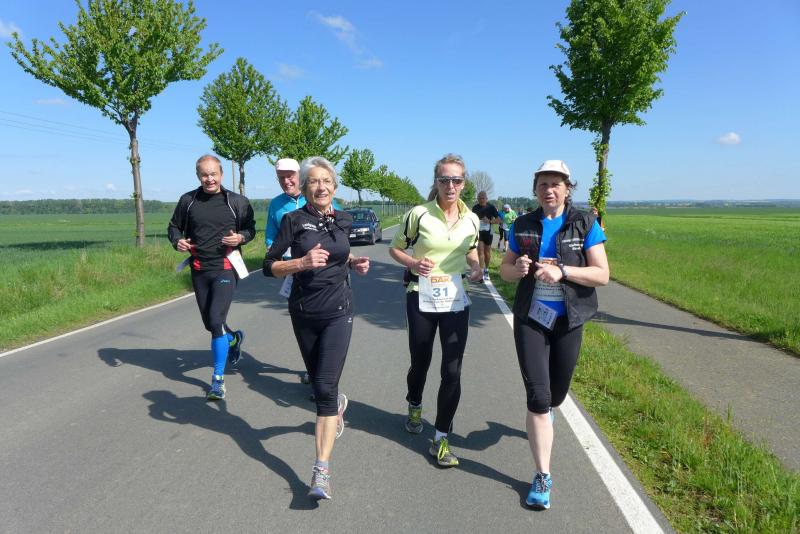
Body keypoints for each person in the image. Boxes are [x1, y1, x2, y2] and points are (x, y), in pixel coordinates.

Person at [499, 159, 609, 510]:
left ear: (567, 189)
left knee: (556, 396)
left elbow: (602, 274)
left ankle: (549, 411)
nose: (549, 190)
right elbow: (505, 270)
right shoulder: (522, 224)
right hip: (531, 318)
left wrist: (564, 271)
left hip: (568, 320)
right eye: (543, 184)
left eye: (556, 184)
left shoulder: (584, 223)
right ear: (535, 190)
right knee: (538, 396)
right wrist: (517, 268)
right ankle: (542, 475)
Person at [262, 156, 370, 500]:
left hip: (339, 311)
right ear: (305, 187)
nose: (320, 187)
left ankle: (320, 472)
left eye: (326, 181)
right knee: (320, 382)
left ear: (334, 187)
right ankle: (335, 405)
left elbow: (341, 253)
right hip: (304, 311)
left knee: (323, 386)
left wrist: (354, 262)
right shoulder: (293, 221)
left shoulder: (345, 219)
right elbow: (268, 266)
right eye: (313, 181)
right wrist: (301, 262)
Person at [389, 153, 482, 467]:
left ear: (464, 183)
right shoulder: (419, 214)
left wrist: (476, 267)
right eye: (444, 180)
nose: (450, 185)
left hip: (455, 299)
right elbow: (395, 248)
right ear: (436, 182)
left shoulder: (471, 219)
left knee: (452, 369)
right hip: (421, 296)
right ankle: (415, 403)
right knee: (421, 361)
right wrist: (413, 263)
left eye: (456, 180)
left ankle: (441, 437)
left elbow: (471, 250)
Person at [168, 154, 256, 400]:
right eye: (204, 175)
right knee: (210, 323)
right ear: (198, 176)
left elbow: (250, 228)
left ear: (221, 174)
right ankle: (233, 339)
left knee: (216, 321)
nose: (209, 179)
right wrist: (178, 241)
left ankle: (217, 380)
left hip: (226, 267)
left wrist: (241, 238)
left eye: (213, 174)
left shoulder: (236, 201)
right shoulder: (188, 201)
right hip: (199, 268)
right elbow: (173, 227)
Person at [471, 191, 501, 281]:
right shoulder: (475, 208)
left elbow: (499, 220)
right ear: (477, 199)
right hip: (479, 232)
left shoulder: (491, 207)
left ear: (486, 199)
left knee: (487, 252)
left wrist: (490, 221)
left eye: (483, 198)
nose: (481, 200)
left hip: (488, 232)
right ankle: (481, 271)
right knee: (480, 251)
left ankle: (486, 269)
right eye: (480, 198)